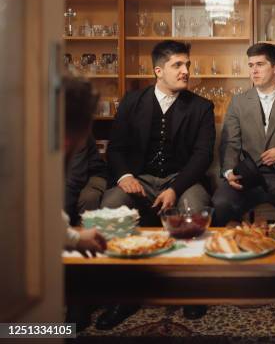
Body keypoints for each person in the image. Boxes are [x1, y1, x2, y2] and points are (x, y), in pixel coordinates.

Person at [99, 40, 215, 326]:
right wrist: (125, 177)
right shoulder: (131, 101)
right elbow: (116, 148)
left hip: (182, 179)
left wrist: (175, 189)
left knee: (196, 205)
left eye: (187, 64)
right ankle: (123, 297)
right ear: (158, 71)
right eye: (178, 65)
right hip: (138, 178)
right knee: (111, 205)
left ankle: (191, 293)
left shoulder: (201, 107)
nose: (186, 70)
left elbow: (202, 156)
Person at [213, 43, 275, 226]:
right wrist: (229, 172)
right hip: (247, 176)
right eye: (251, 65)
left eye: (260, 64)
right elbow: (230, 143)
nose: (254, 71)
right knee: (220, 204)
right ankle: (234, 251)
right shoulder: (238, 102)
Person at [63, 77, 107, 332]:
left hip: (90, 176)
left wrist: (71, 233)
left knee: (85, 205)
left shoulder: (73, 132)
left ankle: (79, 298)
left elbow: (72, 179)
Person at [64, 135, 107, 226]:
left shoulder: (77, 135)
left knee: (88, 197)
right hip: (63, 176)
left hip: (92, 174)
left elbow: (74, 178)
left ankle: (85, 232)